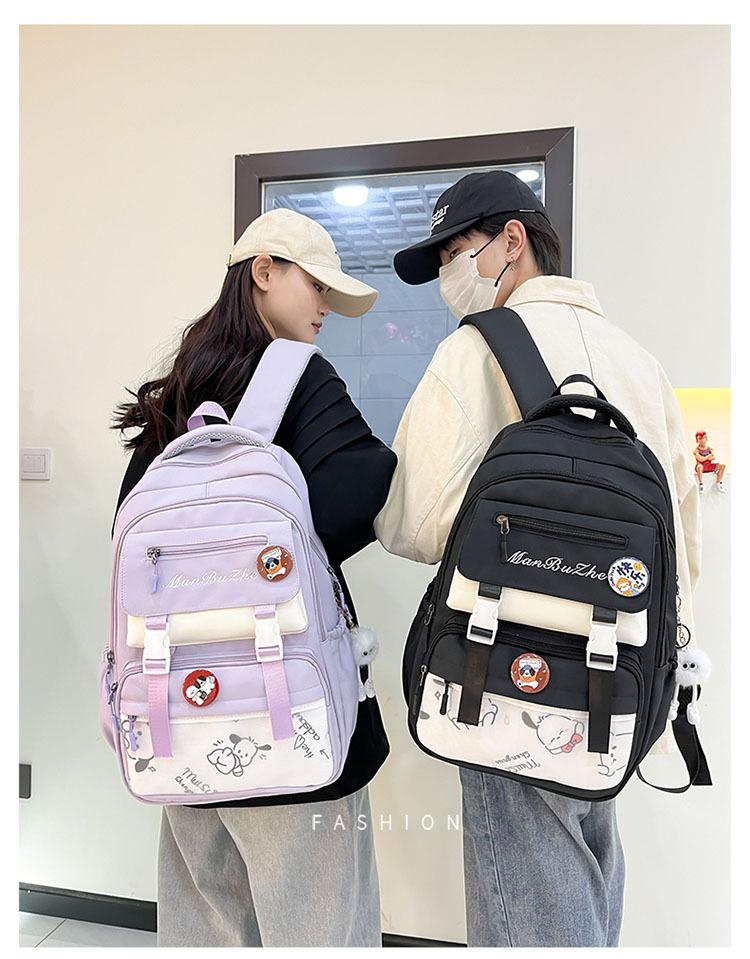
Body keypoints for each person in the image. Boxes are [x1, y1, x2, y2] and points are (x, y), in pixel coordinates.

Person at [374, 170, 701, 947]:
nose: (449, 275)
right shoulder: (639, 361)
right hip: (622, 673)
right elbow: (681, 544)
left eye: (454, 252)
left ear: (511, 241)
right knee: (589, 870)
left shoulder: (473, 352)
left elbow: (410, 521)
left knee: (525, 904)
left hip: (506, 669)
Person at [111, 208, 396, 948]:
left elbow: (129, 533)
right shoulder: (301, 375)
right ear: (262, 271)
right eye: (316, 285)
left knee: (206, 927)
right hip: (289, 716)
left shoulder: (180, 388)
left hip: (178, 715)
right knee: (320, 930)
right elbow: (357, 493)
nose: (324, 307)